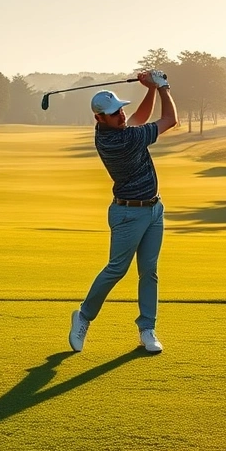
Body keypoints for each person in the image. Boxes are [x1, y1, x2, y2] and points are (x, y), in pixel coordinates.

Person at [69, 69, 178, 354]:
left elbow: (137, 118)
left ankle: (147, 329)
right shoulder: (121, 141)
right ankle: (83, 316)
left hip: (154, 209)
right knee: (117, 269)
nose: (120, 116)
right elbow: (170, 120)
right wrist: (163, 86)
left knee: (149, 271)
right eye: (114, 113)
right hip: (129, 214)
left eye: (120, 110)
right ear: (99, 118)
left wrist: (150, 90)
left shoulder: (113, 130)